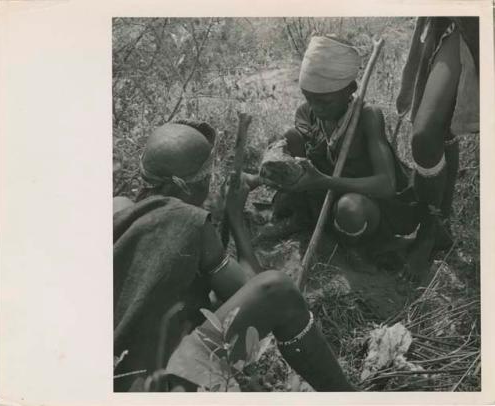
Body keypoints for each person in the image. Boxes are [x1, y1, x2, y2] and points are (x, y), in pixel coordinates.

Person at [113, 120, 355, 392]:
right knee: (278, 289)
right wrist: (236, 218)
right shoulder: (189, 221)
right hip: (158, 386)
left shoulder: (118, 209)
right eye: (208, 177)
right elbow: (247, 289)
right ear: (195, 183)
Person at [261, 36, 418, 257]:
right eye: (309, 98)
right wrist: (265, 174)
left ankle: (353, 247)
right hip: (322, 193)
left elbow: (386, 185)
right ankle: (303, 218)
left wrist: (324, 181)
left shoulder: (367, 116)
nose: (316, 108)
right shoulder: (307, 113)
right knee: (290, 138)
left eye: (325, 102)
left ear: (350, 90)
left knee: (350, 209)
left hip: (366, 200)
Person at [396, 17, 479, 281]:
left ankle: (429, 230)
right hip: (452, 22)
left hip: (478, 22)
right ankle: (438, 225)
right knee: (437, 130)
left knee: (424, 135)